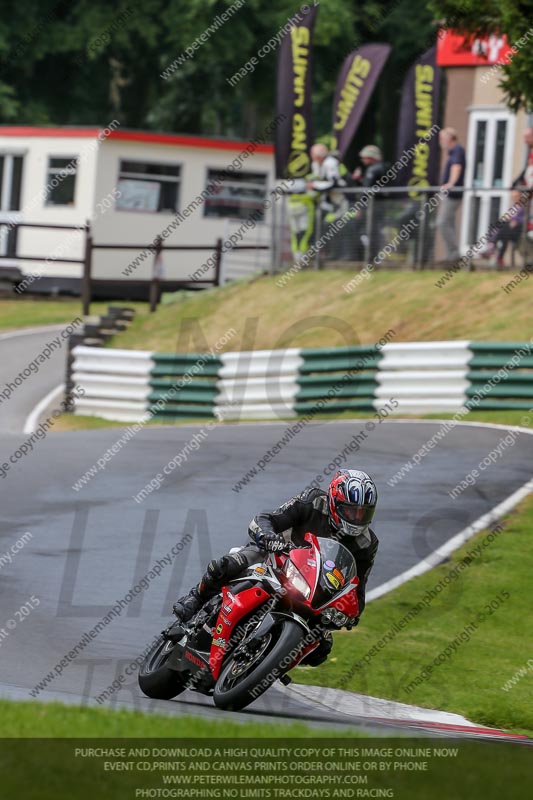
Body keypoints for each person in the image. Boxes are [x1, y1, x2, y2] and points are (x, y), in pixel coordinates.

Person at [173, 469, 379, 667]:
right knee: (231, 563)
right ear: (334, 501)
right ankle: (195, 598)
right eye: (350, 511)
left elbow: (357, 589)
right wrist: (268, 537)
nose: (356, 518)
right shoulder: (313, 501)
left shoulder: (366, 544)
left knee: (321, 648)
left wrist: (351, 612)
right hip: (277, 557)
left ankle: (268, 664)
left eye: (363, 513)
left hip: (316, 591)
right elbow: (266, 518)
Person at [351, 145, 388, 260]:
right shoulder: (384, 167)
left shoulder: (373, 169)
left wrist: (359, 207)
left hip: (373, 206)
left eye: (365, 157)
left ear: (371, 157)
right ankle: (375, 255)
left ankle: (371, 256)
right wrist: (360, 179)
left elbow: (367, 190)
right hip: (381, 205)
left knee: (366, 231)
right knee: (375, 230)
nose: (362, 160)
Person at [437, 128, 466, 262]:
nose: (441, 141)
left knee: (442, 222)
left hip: (454, 194)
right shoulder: (453, 152)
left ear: (450, 139)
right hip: (451, 193)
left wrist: (451, 183)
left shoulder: (457, 150)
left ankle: (454, 253)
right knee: (449, 223)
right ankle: (451, 256)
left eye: (442, 138)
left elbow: (457, 166)